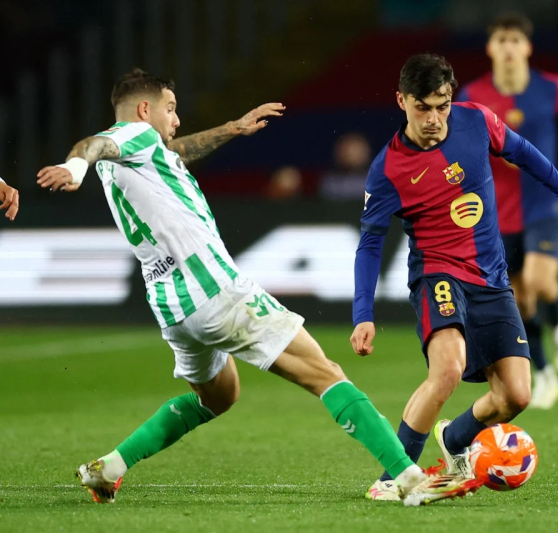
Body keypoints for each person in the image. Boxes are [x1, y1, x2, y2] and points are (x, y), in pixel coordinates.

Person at [36, 68, 475, 507]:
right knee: (325, 373)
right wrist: (74, 165)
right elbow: (94, 145)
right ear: (144, 109)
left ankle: (110, 467)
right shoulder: (131, 135)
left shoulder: (136, 155)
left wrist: (232, 128)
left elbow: (171, 150)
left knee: (218, 396)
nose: (176, 119)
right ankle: (409, 477)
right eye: (170, 109)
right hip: (215, 290)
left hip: (173, 306)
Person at [349, 54, 558, 501]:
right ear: (401, 101)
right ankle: (392, 477)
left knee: (516, 395)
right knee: (447, 371)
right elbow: (370, 243)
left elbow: (524, 153)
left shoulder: (476, 121)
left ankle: (455, 440)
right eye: (422, 107)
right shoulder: (388, 169)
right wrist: (363, 312)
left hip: (492, 279)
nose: (434, 118)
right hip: (438, 274)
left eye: (442, 105)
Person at [457, 13, 558, 409]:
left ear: (527, 47)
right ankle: (545, 373)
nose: (508, 47)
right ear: (490, 48)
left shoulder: (553, 88)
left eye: (515, 40)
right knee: (519, 300)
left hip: (542, 203)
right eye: (501, 40)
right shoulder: (472, 94)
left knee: (540, 281)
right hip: (497, 214)